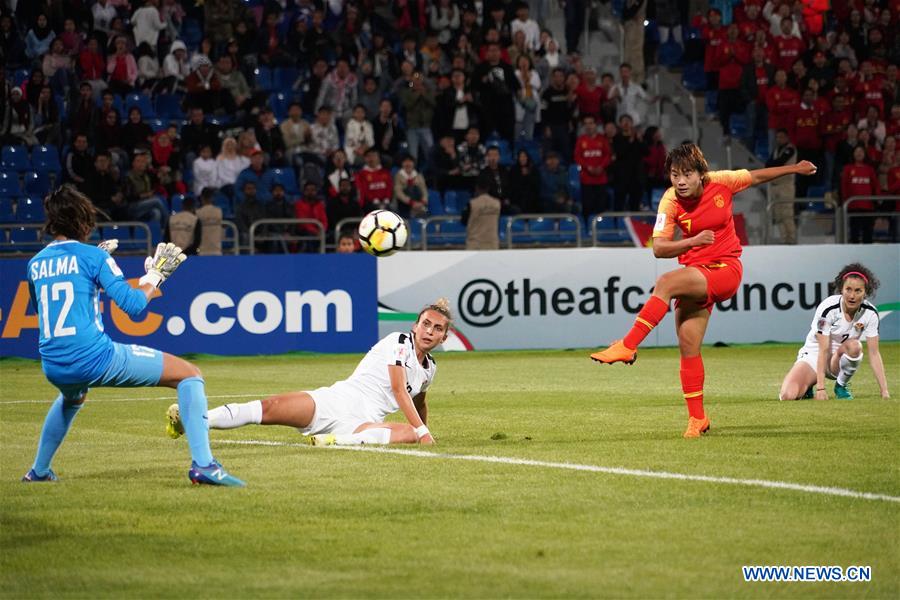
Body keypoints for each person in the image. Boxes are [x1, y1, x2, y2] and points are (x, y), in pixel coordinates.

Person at [590, 143, 817, 438]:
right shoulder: (670, 201)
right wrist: (691, 242)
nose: (680, 181)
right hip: (695, 275)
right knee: (688, 346)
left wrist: (795, 169)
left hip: (725, 270)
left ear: (701, 174)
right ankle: (698, 419)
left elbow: (757, 177)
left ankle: (628, 345)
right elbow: (659, 248)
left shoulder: (721, 181)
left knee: (665, 283)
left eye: (686, 174)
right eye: (674, 175)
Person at [21, 186, 243, 486]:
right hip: (94, 358)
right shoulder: (92, 257)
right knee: (189, 375)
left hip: (53, 365)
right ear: (83, 220)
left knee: (72, 397)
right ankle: (204, 465)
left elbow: (41, 309)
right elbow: (134, 305)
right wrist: (155, 276)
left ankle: (39, 471)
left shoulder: (35, 263)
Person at [168, 301, 452, 446]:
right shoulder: (398, 341)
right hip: (336, 401)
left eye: (437, 328)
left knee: (408, 435)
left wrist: (422, 430)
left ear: (444, 338)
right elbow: (400, 390)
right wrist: (424, 433)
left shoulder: (430, 369)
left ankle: (334, 442)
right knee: (269, 408)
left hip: (363, 424)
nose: (429, 331)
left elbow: (419, 401)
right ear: (414, 326)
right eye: (426, 324)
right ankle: (195, 421)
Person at [779, 264, 890, 401]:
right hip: (815, 354)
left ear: (865, 292)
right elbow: (823, 349)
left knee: (855, 346)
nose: (852, 296)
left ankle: (841, 386)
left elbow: (874, 353)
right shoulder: (828, 308)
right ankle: (809, 385)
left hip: (839, 361)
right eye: (848, 289)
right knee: (787, 395)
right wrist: (821, 388)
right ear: (841, 290)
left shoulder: (870, 313)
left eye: (858, 291)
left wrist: (884, 391)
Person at [766, 129, 798, 244]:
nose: (779, 139)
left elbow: (778, 162)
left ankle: (791, 239)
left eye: (782, 137)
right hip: (775, 185)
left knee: (787, 213)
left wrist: (772, 164)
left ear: (787, 137)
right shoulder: (776, 150)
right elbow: (768, 163)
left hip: (786, 185)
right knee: (778, 214)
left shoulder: (790, 149)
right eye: (778, 137)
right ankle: (784, 239)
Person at [462, 183, 502, 250]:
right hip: (492, 243)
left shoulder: (472, 204)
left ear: (477, 188)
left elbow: (463, 220)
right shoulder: (497, 203)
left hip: (475, 243)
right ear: (488, 189)